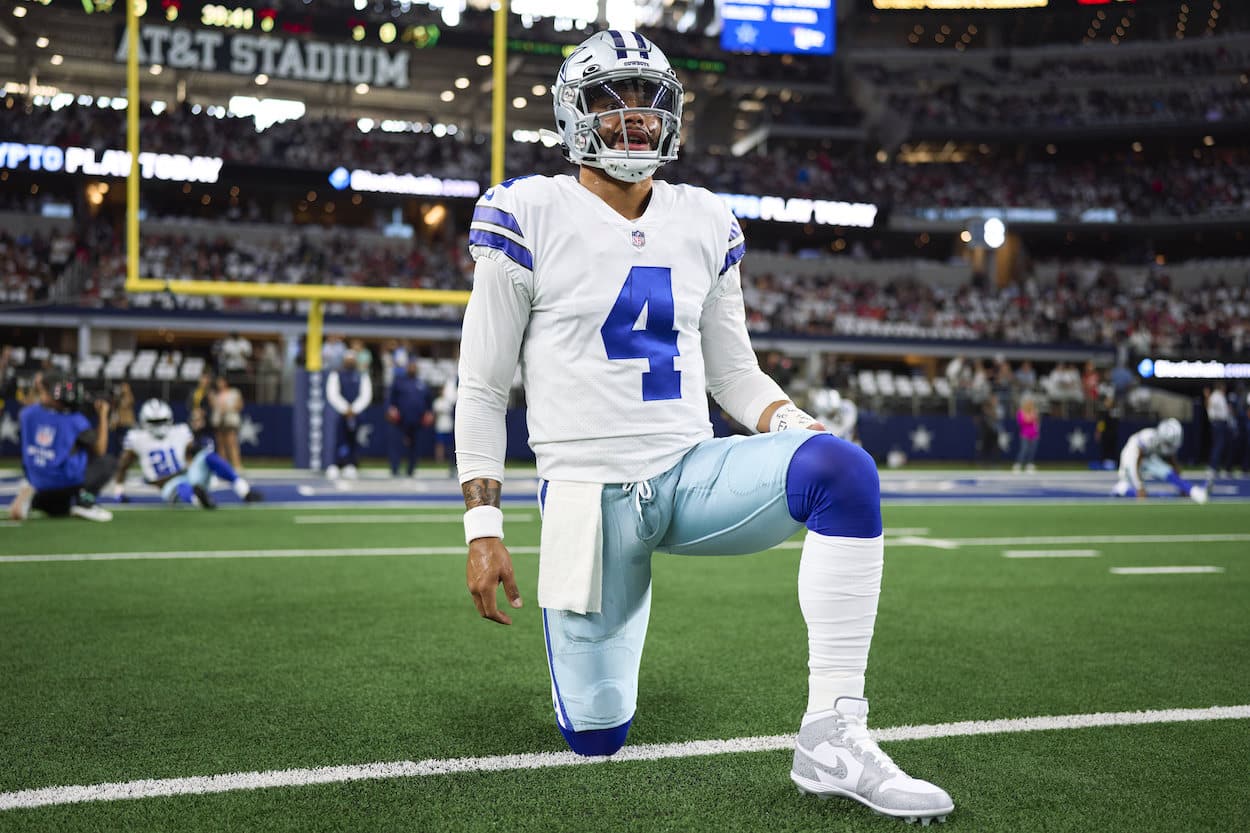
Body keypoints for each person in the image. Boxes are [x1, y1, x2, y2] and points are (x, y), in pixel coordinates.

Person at [454, 30, 951, 824]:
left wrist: (795, 424)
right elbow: (481, 388)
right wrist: (483, 526)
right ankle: (597, 691)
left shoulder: (705, 218)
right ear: (573, 115)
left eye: (647, 103)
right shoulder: (526, 210)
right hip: (588, 498)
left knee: (843, 471)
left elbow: (733, 373)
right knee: (597, 736)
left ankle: (834, 733)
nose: (635, 121)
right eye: (612, 104)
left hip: (690, 472)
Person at [112, 398, 263, 508]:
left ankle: (243, 489)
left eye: (162, 421)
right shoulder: (137, 438)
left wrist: (198, 447)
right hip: (167, 483)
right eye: (154, 422)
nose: (159, 426)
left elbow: (193, 450)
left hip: (188, 474)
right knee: (178, 488)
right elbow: (124, 464)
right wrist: (119, 491)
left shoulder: (180, 431)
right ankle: (199, 500)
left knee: (207, 454)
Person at [8, 372, 114, 522]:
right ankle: (84, 501)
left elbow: (37, 401)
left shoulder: (27, 414)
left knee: (61, 510)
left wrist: (39, 388)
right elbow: (100, 449)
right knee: (107, 462)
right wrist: (103, 415)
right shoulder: (75, 421)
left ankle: (31, 500)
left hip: (36, 482)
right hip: (63, 485)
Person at [1111, 418, 1207, 503]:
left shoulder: (1163, 441)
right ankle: (1121, 490)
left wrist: (1182, 486)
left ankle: (1192, 490)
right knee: (1141, 493)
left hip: (1146, 458)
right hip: (1131, 456)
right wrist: (1139, 486)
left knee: (1166, 471)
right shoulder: (1148, 438)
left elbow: (1172, 462)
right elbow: (1135, 463)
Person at [326, 349, 372, 480]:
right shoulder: (336, 374)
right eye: (348, 359)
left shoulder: (362, 375)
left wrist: (354, 409)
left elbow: (366, 395)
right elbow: (332, 394)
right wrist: (345, 408)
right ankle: (335, 464)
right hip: (340, 413)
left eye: (352, 360)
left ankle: (351, 464)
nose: (350, 362)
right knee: (339, 438)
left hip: (356, 413)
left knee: (354, 439)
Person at [386, 356, 433, 478]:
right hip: (400, 419)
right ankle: (395, 468)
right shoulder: (399, 381)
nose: (412, 368)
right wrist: (391, 409)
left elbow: (429, 401)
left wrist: (429, 412)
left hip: (416, 419)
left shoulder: (421, 383)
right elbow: (390, 399)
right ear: (406, 368)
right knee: (396, 444)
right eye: (410, 366)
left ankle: (411, 469)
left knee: (415, 445)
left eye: (414, 366)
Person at [210, 375, 245, 473]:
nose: (219, 384)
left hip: (230, 420)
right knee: (220, 444)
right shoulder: (215, 395)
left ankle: (237, 466)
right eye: (218, 382)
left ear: (225, 382)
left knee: (232, 443)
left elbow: (240, 405)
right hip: (219, 421)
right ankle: (223, 467)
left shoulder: (234, 392)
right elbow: (213, 407)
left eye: (221, 381)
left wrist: (228, 408)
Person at [1204, 384, 1232, 479]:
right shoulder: (1216, 396)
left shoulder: (1219, 396)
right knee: (1218, 446)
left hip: (1220, 423)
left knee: (1219, 445)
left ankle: (1216, 466)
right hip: (1218, 423)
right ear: (1221, 387)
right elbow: (1210, 407)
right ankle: (1212, 467)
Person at [432, 380, 457, 475]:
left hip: (449, 426)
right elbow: (436, 411)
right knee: (440, 444)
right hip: (440, 426)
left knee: (450, 446)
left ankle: (451, 461)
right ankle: (440, 460)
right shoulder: (437, 401)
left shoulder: (449, 401)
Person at [1013, 396, 1040, 474]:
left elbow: (1036, 422)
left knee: (1032, 450)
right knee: (1024, 449)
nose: (1030, 405)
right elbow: (1023, 421)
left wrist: (1037, 431)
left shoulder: (1034, 411)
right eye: (1028, 403)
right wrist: (1030, 417)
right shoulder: (1020, 412)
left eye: (1031, 403)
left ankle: (1029, 465)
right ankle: (1018, 464)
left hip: (1034, 434)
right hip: (1025, 433)